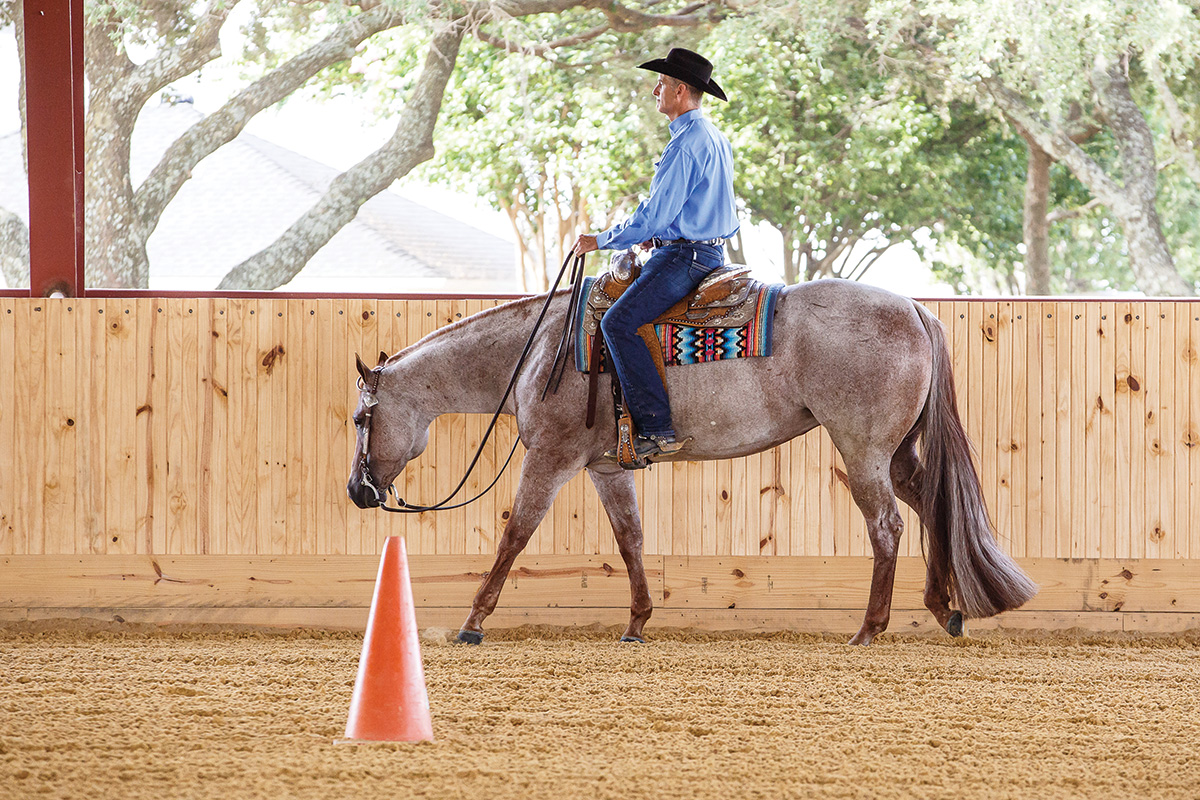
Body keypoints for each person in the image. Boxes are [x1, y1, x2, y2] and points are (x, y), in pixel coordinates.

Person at [573, 47, 738, 462]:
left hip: (685, 257)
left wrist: (602, 239)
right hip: (708, 251)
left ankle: (656, 428)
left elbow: (653, 215)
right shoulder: (714, 138)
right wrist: (659, 233)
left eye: (661, 84)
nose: (654, 90)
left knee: (619, 322)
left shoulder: (686, 144)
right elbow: (692, 206)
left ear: (681, 90)